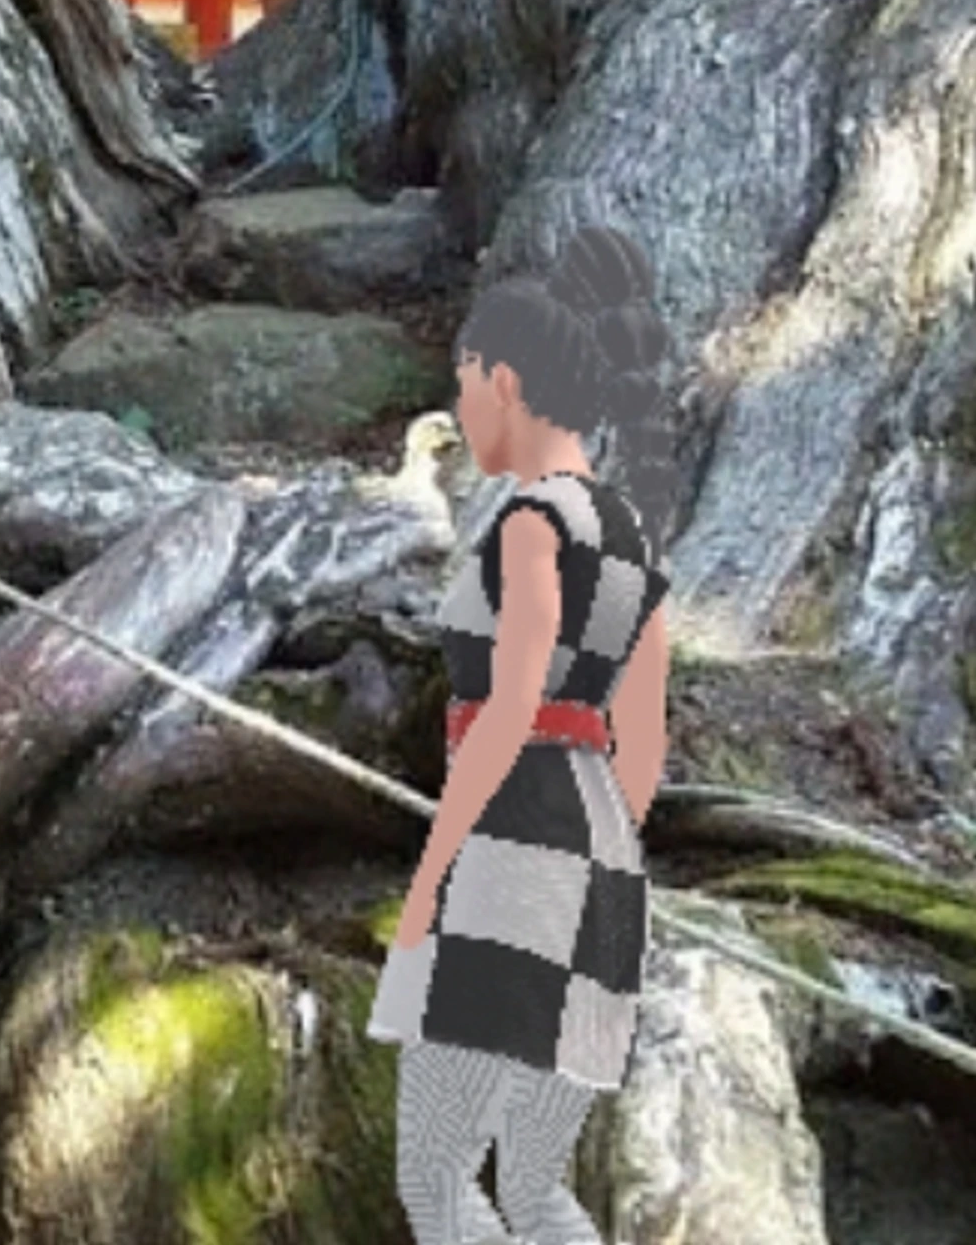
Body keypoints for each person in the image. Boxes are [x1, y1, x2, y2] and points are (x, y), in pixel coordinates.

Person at [368, 226, 681, 1245]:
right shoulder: (632, 541)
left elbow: (505, 715)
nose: (460, 412)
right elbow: (643, 743)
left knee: (438, 1177)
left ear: (508, 380)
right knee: (535, 1186)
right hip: (601, 858)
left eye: (466, 385)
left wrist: (434, 876)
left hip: (514, 838)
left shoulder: (529, 529)